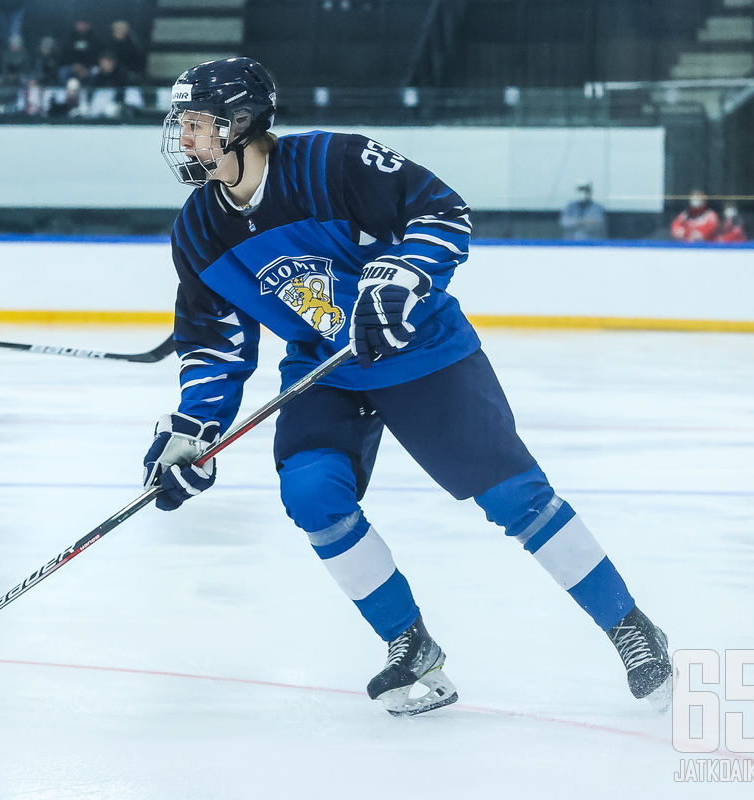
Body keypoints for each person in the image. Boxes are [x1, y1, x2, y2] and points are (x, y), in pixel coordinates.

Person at [144, 57, 674, 716]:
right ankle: (409, 643)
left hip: (421, 350)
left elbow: (440, 212)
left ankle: (630, 627)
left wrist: (396, 279)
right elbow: (215, 346)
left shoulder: (333, 163)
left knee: (514, 497)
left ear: (242, 124)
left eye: (197, 123)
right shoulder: (197, 231)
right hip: (326, 368)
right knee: (311, 493)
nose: (185, 138)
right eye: (183, 124)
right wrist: (194, 434)